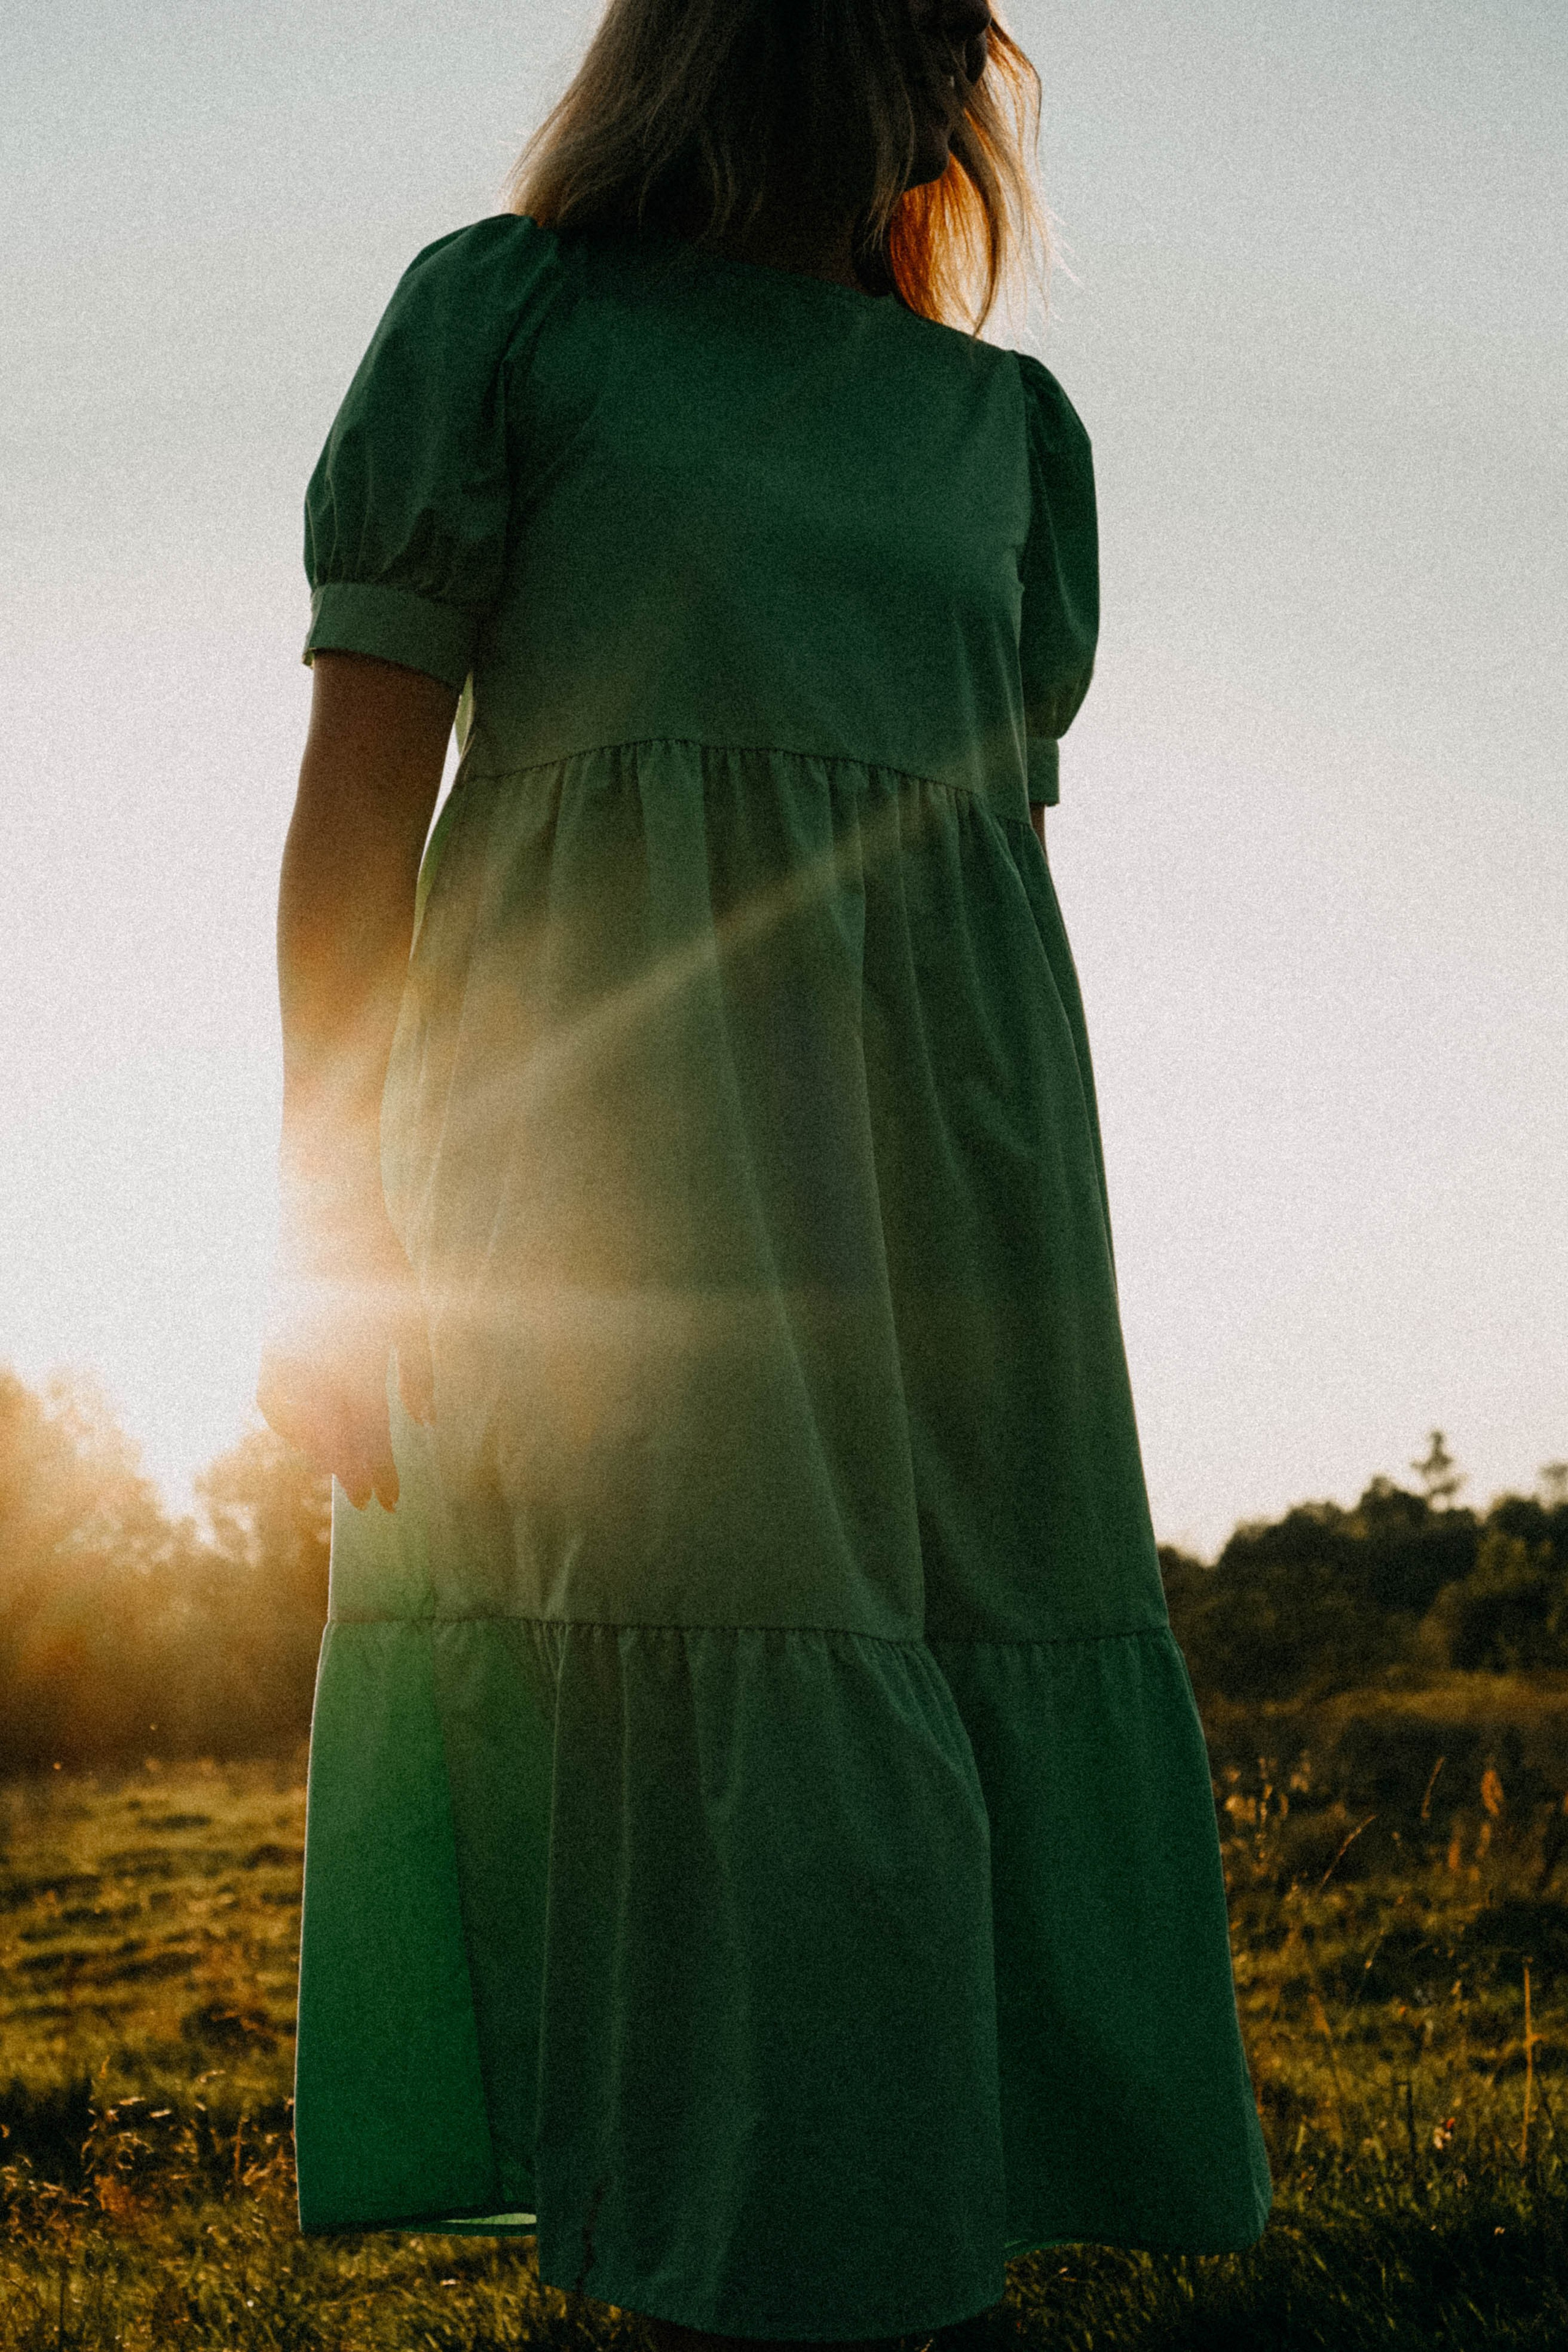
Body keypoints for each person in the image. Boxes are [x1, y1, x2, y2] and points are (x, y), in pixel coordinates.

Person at [258, 0, 1273, 2342]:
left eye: (962, 40)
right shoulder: (509, 320)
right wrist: (329, 1218)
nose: (944, 73)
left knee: (933, 1693)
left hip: (963, 1157)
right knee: (755, 1705)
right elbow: (351, 822)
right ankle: (742, 2285)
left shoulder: (1008, 429)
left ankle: (911, 2278)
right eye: (904, 21)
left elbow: (967, 858)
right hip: (622, 1148)